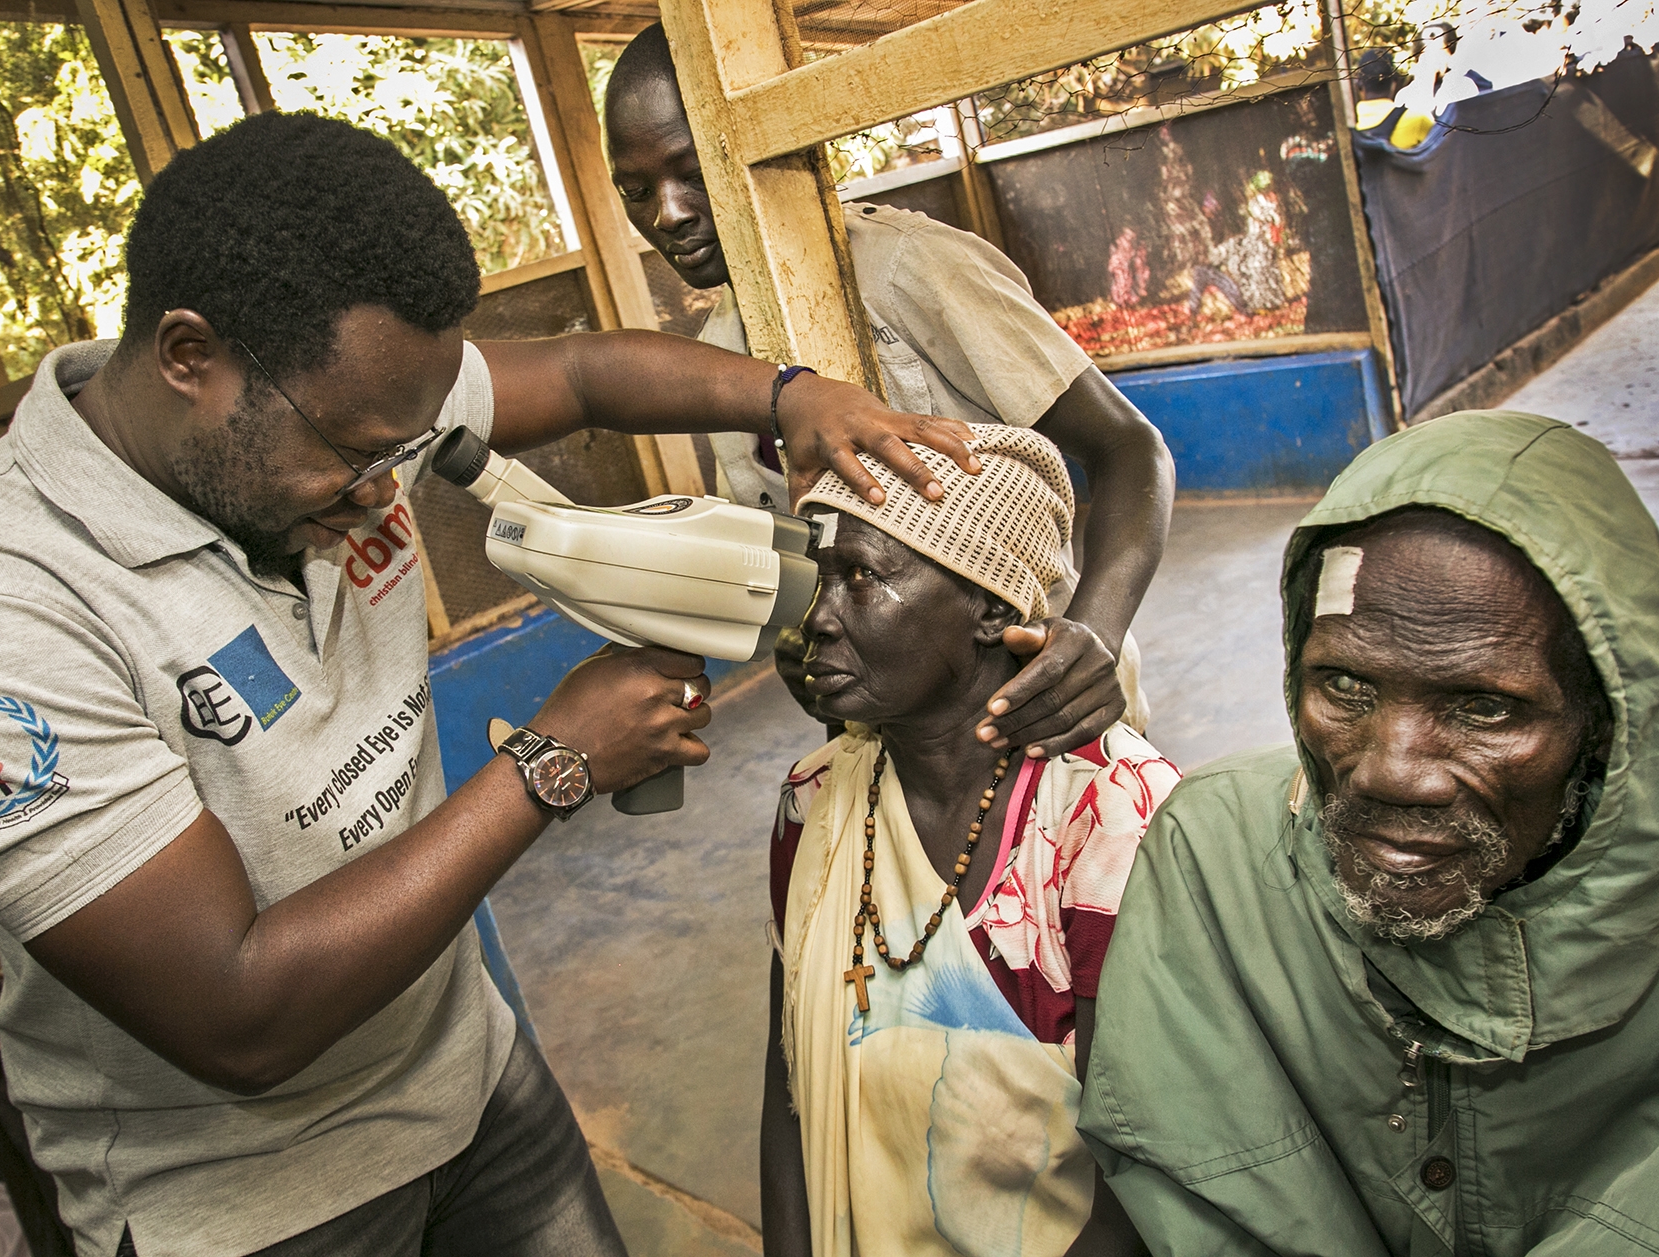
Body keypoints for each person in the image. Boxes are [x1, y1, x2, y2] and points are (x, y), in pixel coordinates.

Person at [0, 112, 984, 1257]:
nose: (386, 491)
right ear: (190, 357)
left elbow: (582, 372)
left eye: (407, 449)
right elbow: (239, 1016)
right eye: (357, 457)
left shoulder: (342, 396)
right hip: (255, 1208)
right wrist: (551, 764)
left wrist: (790, 395)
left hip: (469, 1082)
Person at [1077, 410, 1655, 1254]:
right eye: (1345, 686)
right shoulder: (1215, 857)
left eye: (1484, 707)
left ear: (1607, 721)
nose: (1391, 770)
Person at [603, 23, 1175, 757]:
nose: (668, 213)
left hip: (1047, 714)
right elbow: (787, 557)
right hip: (904, 752)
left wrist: (1090, 634)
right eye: (636, 190)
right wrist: (797, 637)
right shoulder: (720, 359)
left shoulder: (910, 269)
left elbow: (1130, 448)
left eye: (692, 173)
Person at [765, 424, 1180, 1256]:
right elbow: (789, 1096)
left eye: (862, 577)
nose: (817, 621)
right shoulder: (816, 802)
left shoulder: (1104, 817)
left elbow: (1146, 1171)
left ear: (991, 607)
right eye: (820, 578)